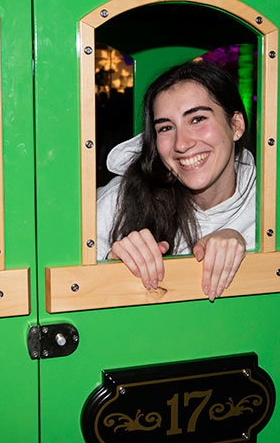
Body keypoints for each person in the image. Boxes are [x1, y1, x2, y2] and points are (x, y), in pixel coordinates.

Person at [95, 61, 254, 301]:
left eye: (197, 119)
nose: (181, 144)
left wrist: (243, 243)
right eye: (166, 127)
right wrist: (112, 264)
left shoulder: (273, 205)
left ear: (236, 125)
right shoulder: (123, 198)